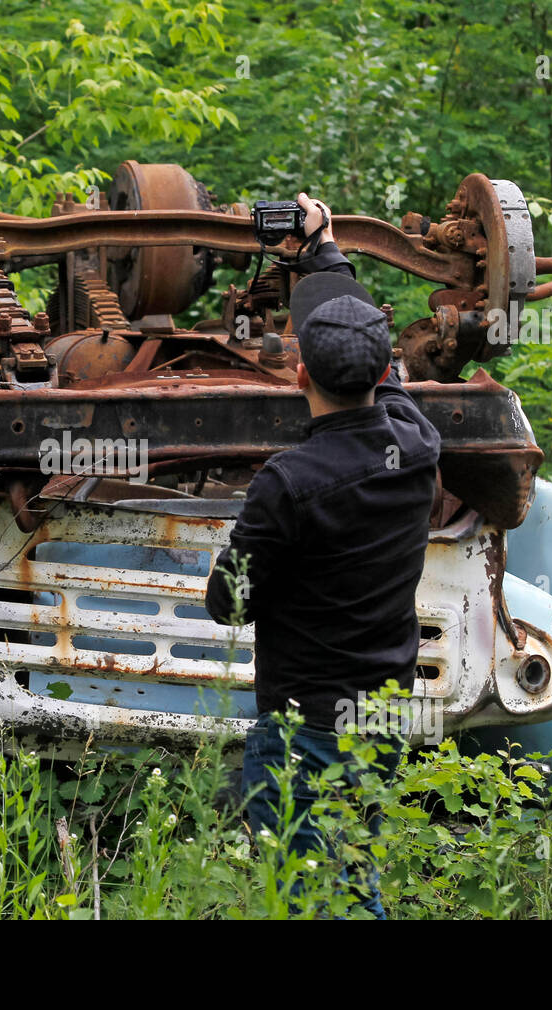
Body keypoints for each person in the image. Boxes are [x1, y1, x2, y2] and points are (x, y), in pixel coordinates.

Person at [205, 193, 442, 918]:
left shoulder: (289, 483)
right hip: (382, 716)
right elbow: (386, 373)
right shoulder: (416, 443)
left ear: (296, 374)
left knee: (312, 896)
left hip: (304, 728)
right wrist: (326, 250)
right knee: (351, 871)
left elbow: (228, 602)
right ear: (379, 377)